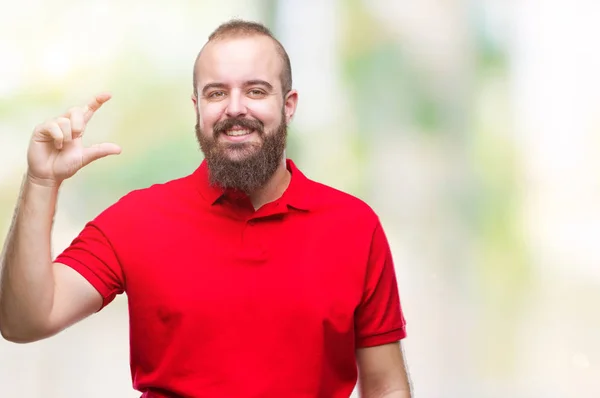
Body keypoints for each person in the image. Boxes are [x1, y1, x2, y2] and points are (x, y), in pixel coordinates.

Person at [0, 19, 412, 398]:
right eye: (217, 93)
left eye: (255, 90)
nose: (235, 108)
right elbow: (23, 321)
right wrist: (41, 182)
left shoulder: (353, 226)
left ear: (289, 105)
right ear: (196, 107)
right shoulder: (138, 219)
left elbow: (386, 386)